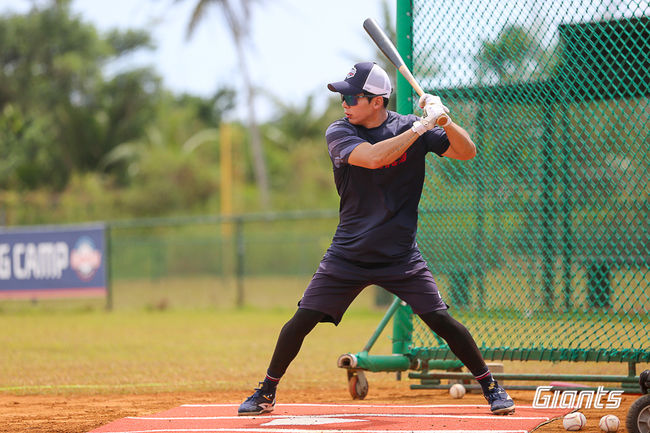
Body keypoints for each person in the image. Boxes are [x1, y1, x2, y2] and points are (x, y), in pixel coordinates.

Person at [237, 61, 515, 416]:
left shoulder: (410, 127)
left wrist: (445, 121)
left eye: (353, 96)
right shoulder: (339, 132)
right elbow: (372, 158)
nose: (345, 103)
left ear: (378, 101)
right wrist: (423, 126)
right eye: (343, 96)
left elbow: (467, 151)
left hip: (399, 255)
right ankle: (266, 391)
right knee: (301, 320)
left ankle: (490, 386)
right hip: (348, 254)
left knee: (441, 321)